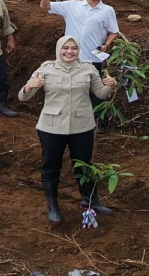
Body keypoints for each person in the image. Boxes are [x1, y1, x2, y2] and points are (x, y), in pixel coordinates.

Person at [18, 35, 117, 222]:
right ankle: (53, 206)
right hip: (51, 127)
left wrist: (109, 86)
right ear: (58, 49)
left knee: (84, 165)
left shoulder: (87, 69)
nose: (69, 52)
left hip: (82, 126)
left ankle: (90, 200)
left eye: (74, 48)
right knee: (51, 165)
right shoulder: (46, 69)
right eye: (65, 48)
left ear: (79, 51)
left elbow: (101, 94)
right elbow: (22, 98)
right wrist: (29, 87)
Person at [40, 0, 119, 108]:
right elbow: (45, 6)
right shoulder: (71, 6)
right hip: (70, 58)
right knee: (69, 88)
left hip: (94, 58)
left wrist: (106, 44)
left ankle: (96, 119)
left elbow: (114, 31)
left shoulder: (107, 10)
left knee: (95, 90)